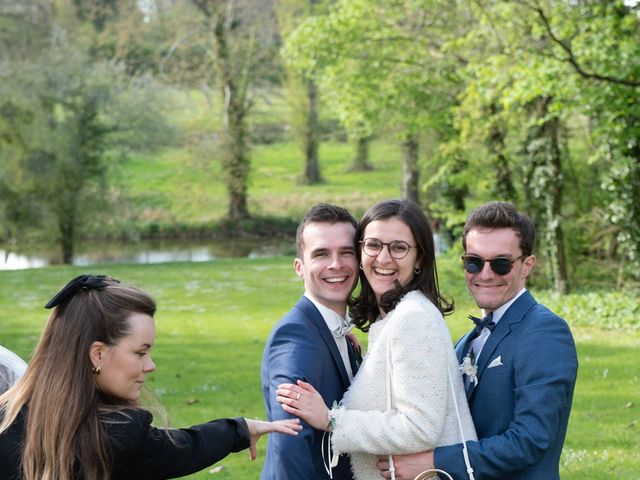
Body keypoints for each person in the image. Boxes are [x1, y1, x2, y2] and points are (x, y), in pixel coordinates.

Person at [0, 274, 301, 480]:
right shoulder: (121, 436)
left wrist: (240, 429)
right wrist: (241, 429)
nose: (151, 365)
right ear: (98, 355)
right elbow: (185, 447)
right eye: (140, 353)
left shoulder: (7, 415)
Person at [276, 199, 476, 480]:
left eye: (398, 248)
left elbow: (419, 428)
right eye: (373, 245)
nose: (383, 258)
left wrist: (332, 420)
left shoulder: (413, 317)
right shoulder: (393, 319)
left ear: (419, 258)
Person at [378, 201, 579, 480]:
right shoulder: (464, 342)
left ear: (527, 265)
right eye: (473, 262)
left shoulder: (545, 332)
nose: (485, 275)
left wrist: (434, 462)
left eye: (501, 264)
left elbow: (530, 440)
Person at [261, 203, 361, 480]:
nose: (336, 264)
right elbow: (288, 441)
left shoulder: (337, 333)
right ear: (299, 267)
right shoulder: (295, 337)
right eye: (321, 254)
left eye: (346, 252)